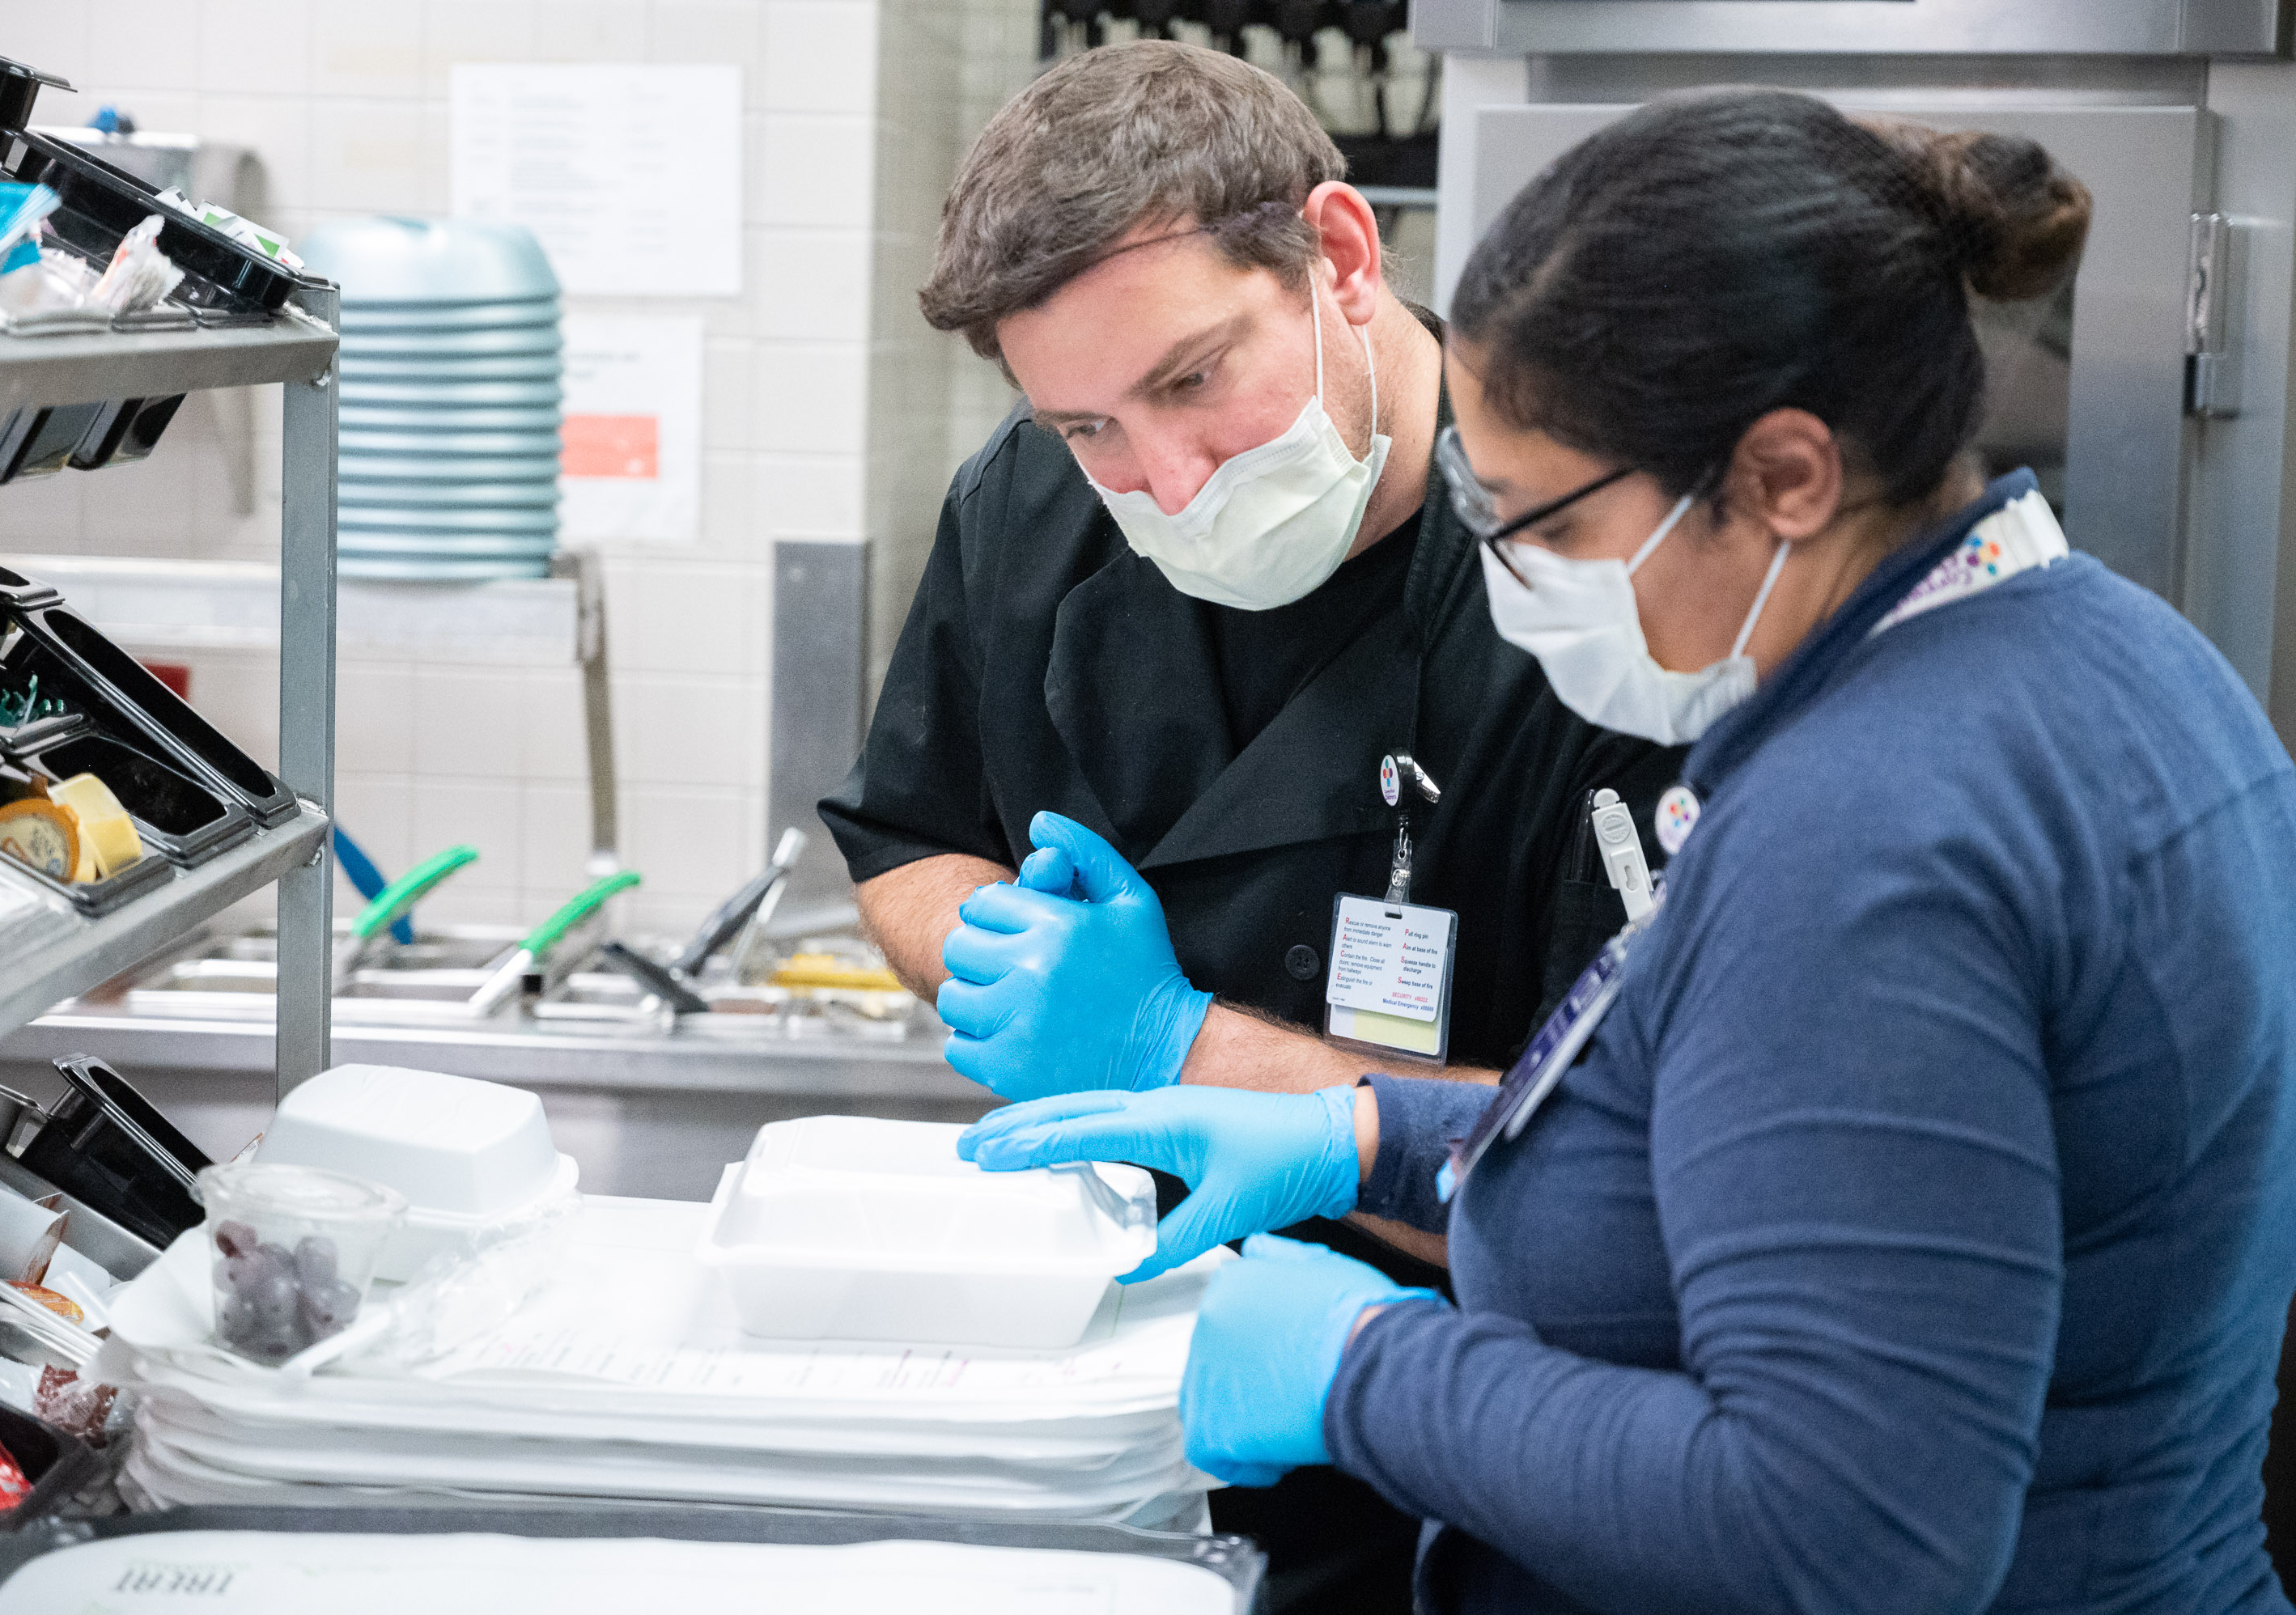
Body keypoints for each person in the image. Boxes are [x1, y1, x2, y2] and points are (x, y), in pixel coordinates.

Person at [961, 89, 2296, 1613]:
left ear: (1786, 477)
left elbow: (1844, 1530)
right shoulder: (2115, 657)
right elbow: (1817, 1191)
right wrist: (1381, 1140)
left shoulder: (1871, 835)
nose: (1518, 581)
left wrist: (1366, 1369)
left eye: (1551, 526)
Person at [818, 39, 1683, 1612]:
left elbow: (1642, 1185)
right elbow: (912, 835)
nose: (1159, 478)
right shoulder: (1030, 494)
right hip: (1120, 1402)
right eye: (1088, 427)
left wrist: (1172, 1045)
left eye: (1194, 380)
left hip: (1471, 1431)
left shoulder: (1598, 582)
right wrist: (1002, 955)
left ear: (1340, 258)